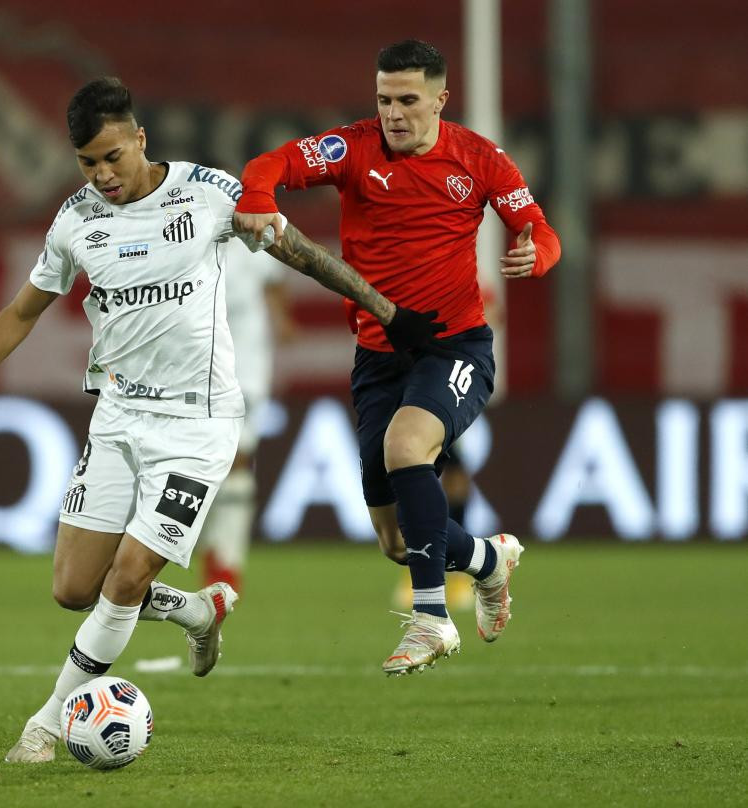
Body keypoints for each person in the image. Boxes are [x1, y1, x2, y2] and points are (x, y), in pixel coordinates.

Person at [0, 77, 444, 760]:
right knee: (71, 589)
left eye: (113, 157)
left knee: (123, 580)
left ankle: (47, 720)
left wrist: (388, 314)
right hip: (118, 419)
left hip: (198, 425)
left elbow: (302, 254)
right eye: (88, 162)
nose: (103, 175)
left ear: (140, 137)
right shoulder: (77, 219)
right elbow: (23, 310)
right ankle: (194, 608)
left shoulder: (209, 194)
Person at [234, 39, 561, 675]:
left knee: (408, 448)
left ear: (440, 99)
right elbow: (271, 162)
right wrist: (256, 196)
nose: (393, 113)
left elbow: (540, 230)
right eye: (384, 99)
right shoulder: (353, 149)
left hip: (453, 344)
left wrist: (537, 256)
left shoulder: (479, 158)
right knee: (398, 540)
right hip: (378, 355)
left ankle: (431, 618)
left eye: (408, 100)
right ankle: (490, 562)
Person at [198, 237, 297, 592]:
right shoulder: (190, 233)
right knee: (206, 461)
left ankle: (227, 562)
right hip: (200, 367)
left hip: (247, 367)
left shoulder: (250, 232)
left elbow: (275, 280)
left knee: (238, 458)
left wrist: (282, 319)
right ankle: (210, 548)